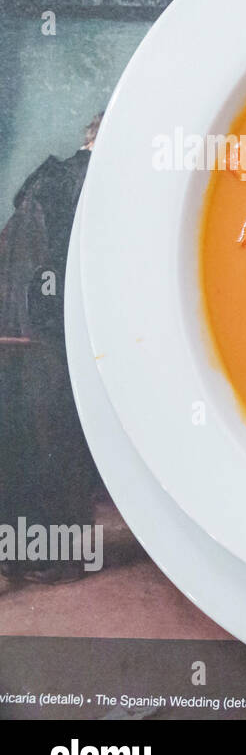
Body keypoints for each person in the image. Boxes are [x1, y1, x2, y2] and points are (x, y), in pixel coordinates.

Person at [0, 115, 105, 588]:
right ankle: (60, 555)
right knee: (60, 445)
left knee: (25, 443)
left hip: (18, 335)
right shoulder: (88, 183)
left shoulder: (44, 180)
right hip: (52, 338)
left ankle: (24, 555)